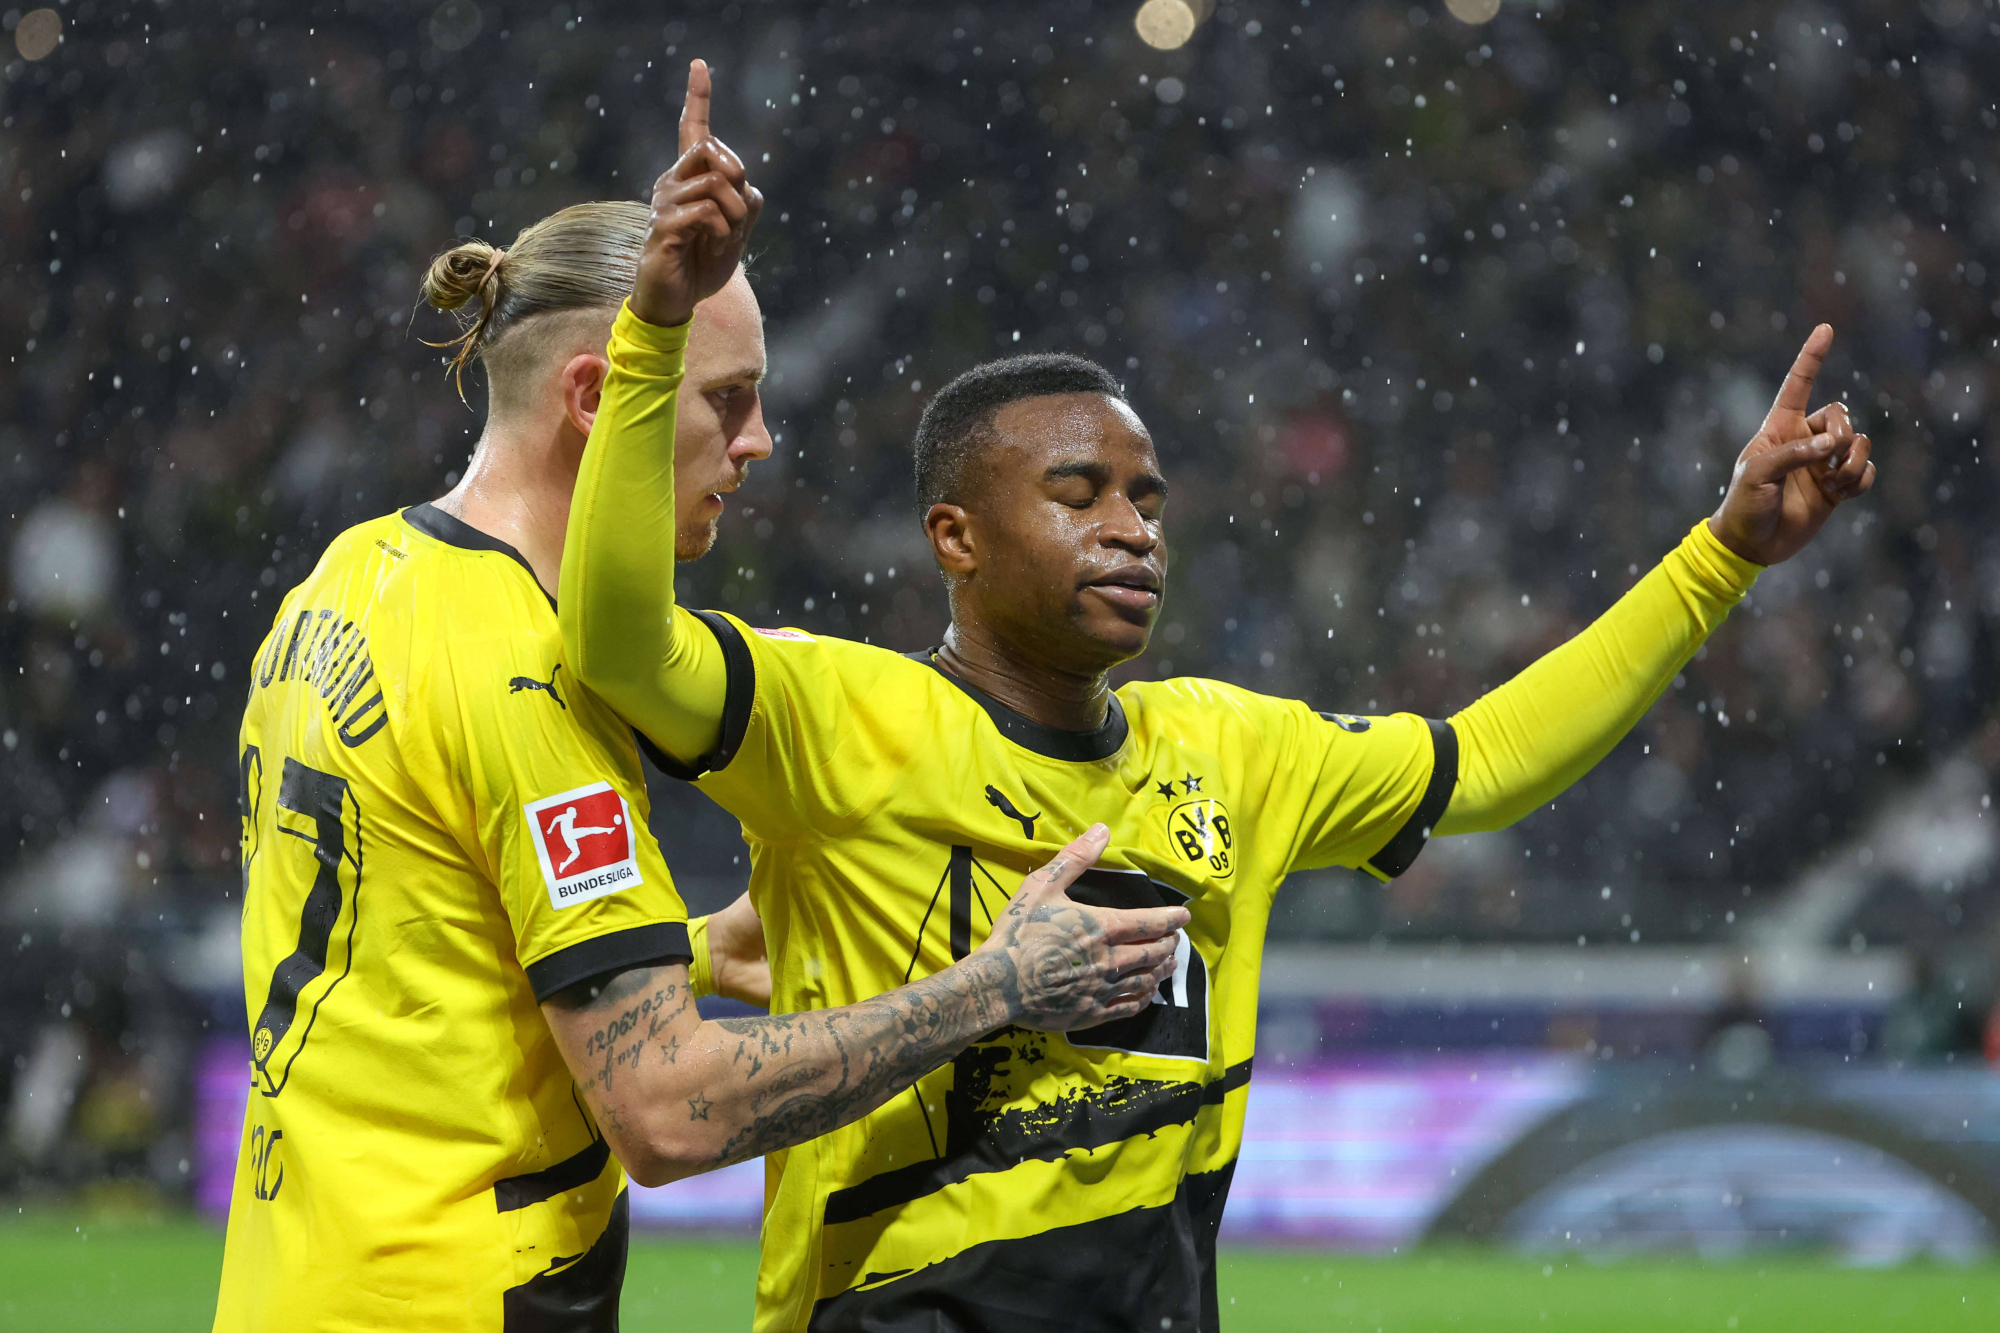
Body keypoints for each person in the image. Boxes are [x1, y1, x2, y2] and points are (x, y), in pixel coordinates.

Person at [565, 64, 1877, 1333]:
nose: (1131, 529)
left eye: (1147, 500)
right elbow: (619, 639)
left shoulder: (1229, 749)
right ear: (954, 536)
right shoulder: (834, 715)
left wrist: (1720, 557)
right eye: (1077, 495)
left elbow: (1487, 762)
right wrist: (658, 330)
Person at [208, 61, 1190, 1333]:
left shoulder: (343, 581)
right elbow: (667, 1110)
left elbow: (410, 951)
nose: (760, 439)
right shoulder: (531, 672)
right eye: (728, 398)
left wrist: (686, 950)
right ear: (596, 397)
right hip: (453, 1296)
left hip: (295, 1280)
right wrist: (994, 987)